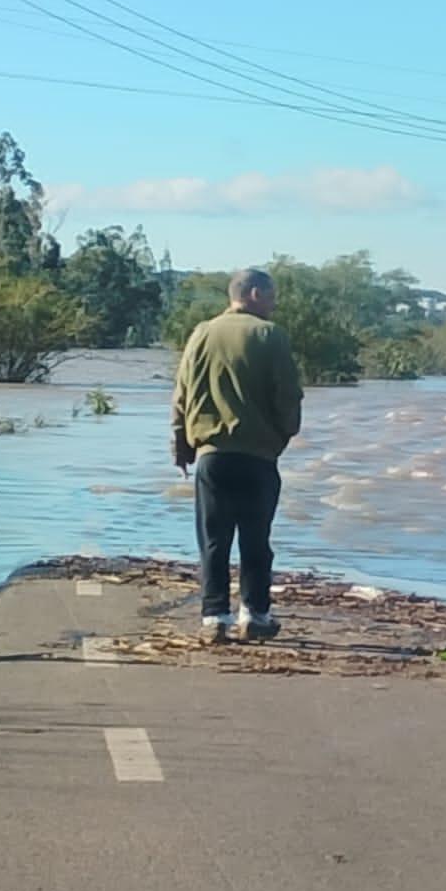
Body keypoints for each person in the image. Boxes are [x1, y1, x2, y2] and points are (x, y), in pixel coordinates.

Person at [171, 267, 303, 644]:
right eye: (272, 296)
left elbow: (182, 393)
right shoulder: (270, 335)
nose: (274, 304)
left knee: (213, 539)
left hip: (212, 455)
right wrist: (284, 434)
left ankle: (215, 617)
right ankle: (255, 615)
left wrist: (181, 445)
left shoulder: (201, 333)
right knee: (256, 539)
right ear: (255, 294)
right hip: (258, 456)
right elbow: (287, 396)